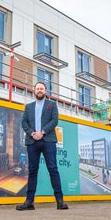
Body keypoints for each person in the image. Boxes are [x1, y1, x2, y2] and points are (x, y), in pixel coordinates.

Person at [16, 82, 68, 211]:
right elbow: (24, 123)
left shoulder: (52, 105)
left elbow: (54, 120)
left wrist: (42, 132)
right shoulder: (28, 107)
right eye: (38, 88)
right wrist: (32, 133)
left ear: (45, 91)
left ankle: (60, 201)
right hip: (32, 141)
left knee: (53, 169)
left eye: (42, 89)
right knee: (32, 171)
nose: (39, 90)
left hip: (48, 140)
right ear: (34, 91)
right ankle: (29, 202)